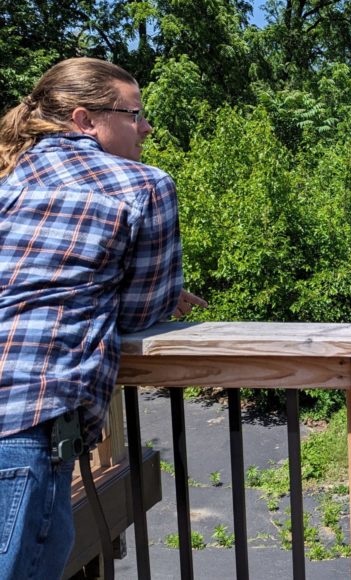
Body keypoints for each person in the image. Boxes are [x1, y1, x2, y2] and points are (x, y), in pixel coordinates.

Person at [0, 57, 204, 578]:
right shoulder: (142, 184)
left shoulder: (9, 178)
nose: (146, 126)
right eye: (133, 113)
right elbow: (139, 313)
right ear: (85, 120)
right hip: (27, 421)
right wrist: (161, 293)